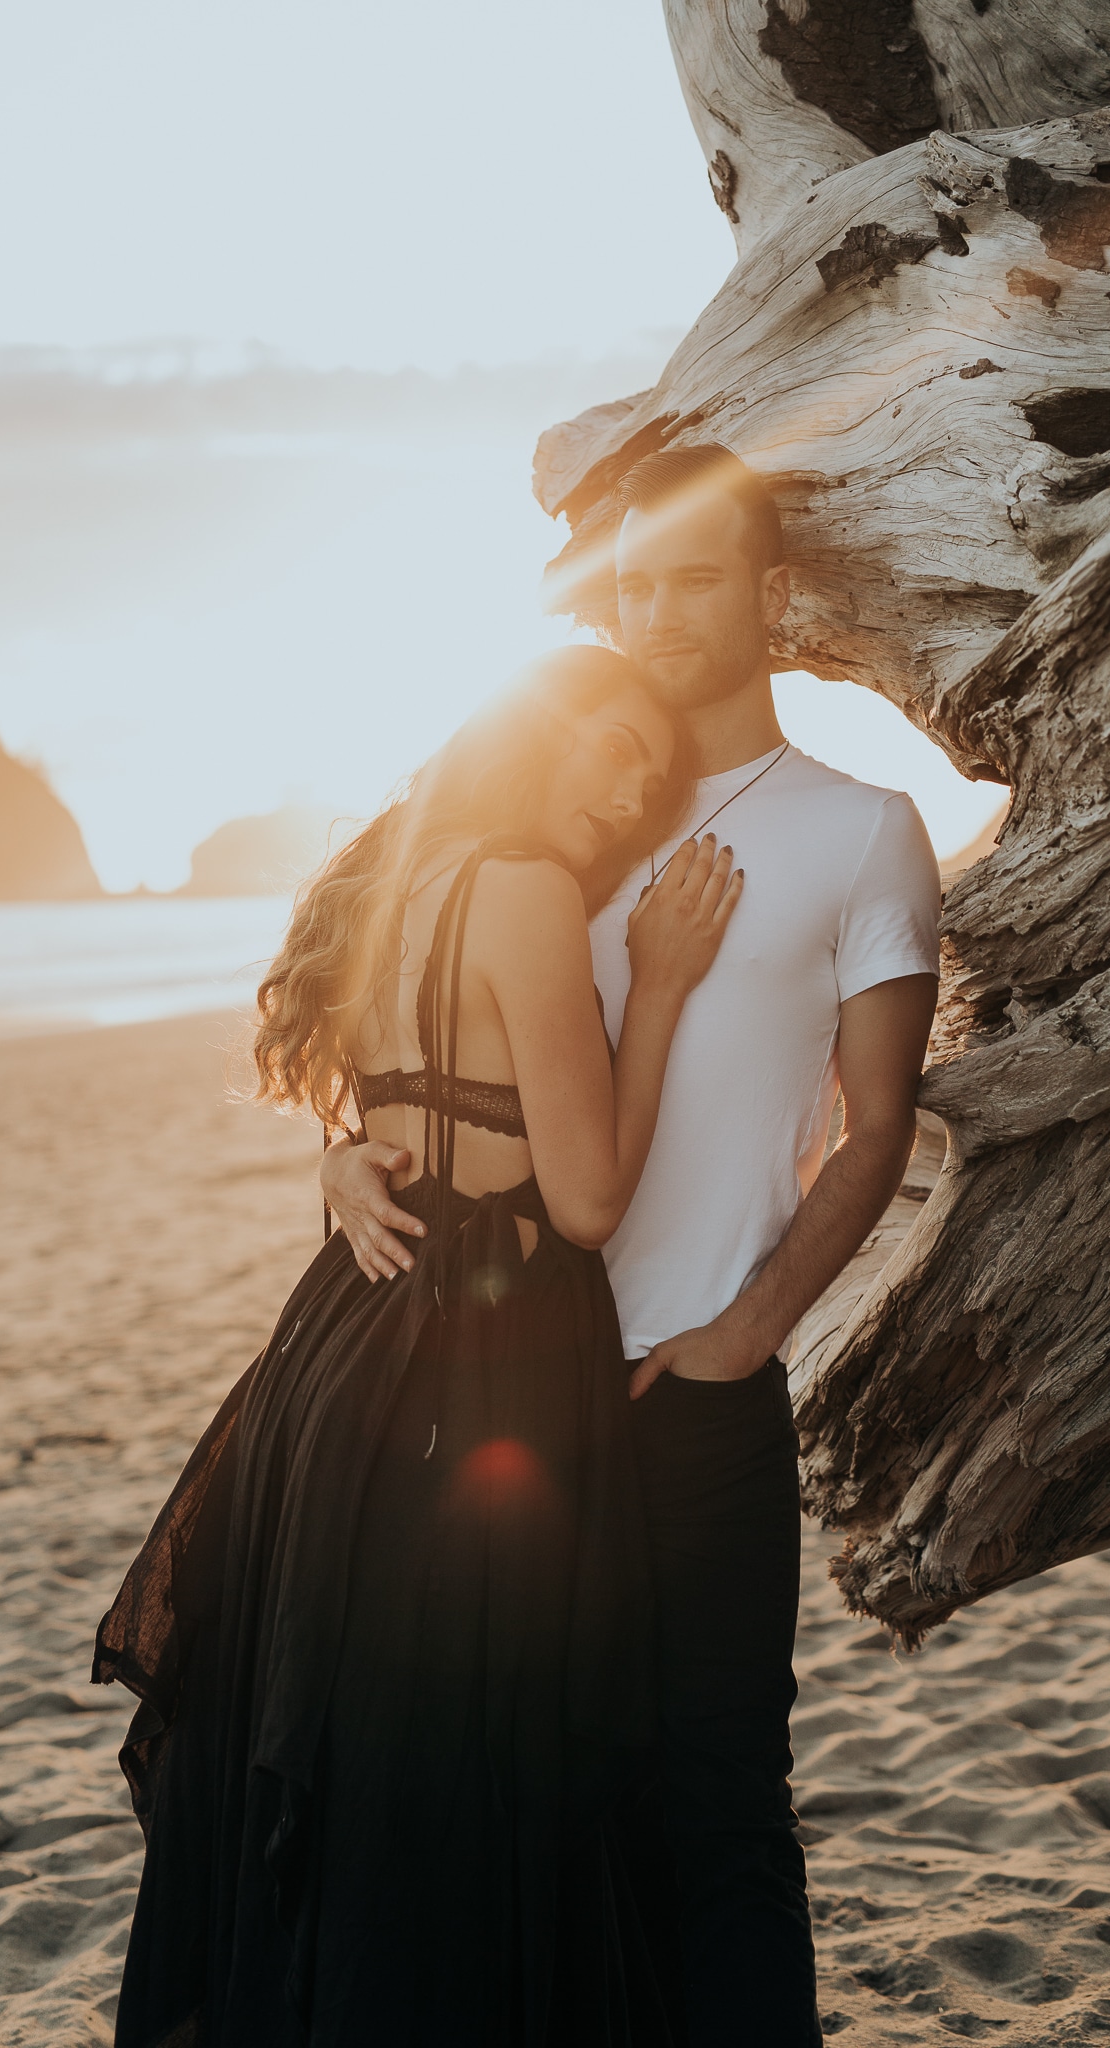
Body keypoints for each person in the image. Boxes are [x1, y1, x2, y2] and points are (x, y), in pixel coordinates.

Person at [322, 445, 942, 2046]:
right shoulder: (573, 822)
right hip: (496, 1385)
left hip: (689, 1383)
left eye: (692, 579)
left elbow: (876, 1125)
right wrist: (345, 1156)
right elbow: (433, 1052)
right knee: (522, 1808)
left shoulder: (861, 831)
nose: (659, 614)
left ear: (768, 596)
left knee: (717, 1797)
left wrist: (753, 1330)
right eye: (634, 586)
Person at [93, 643, 748, 2047]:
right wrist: (667, 979)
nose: (632, 786)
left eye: (653, 770)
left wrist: (339, 1160)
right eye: (610, 746)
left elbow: (380, 1126)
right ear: (531, 735)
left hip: (334, 1350)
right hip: (477, 1359)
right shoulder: (523, 891)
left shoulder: (396, 889)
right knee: (480, 1744)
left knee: (347, 1726)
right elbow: (583, 1197)